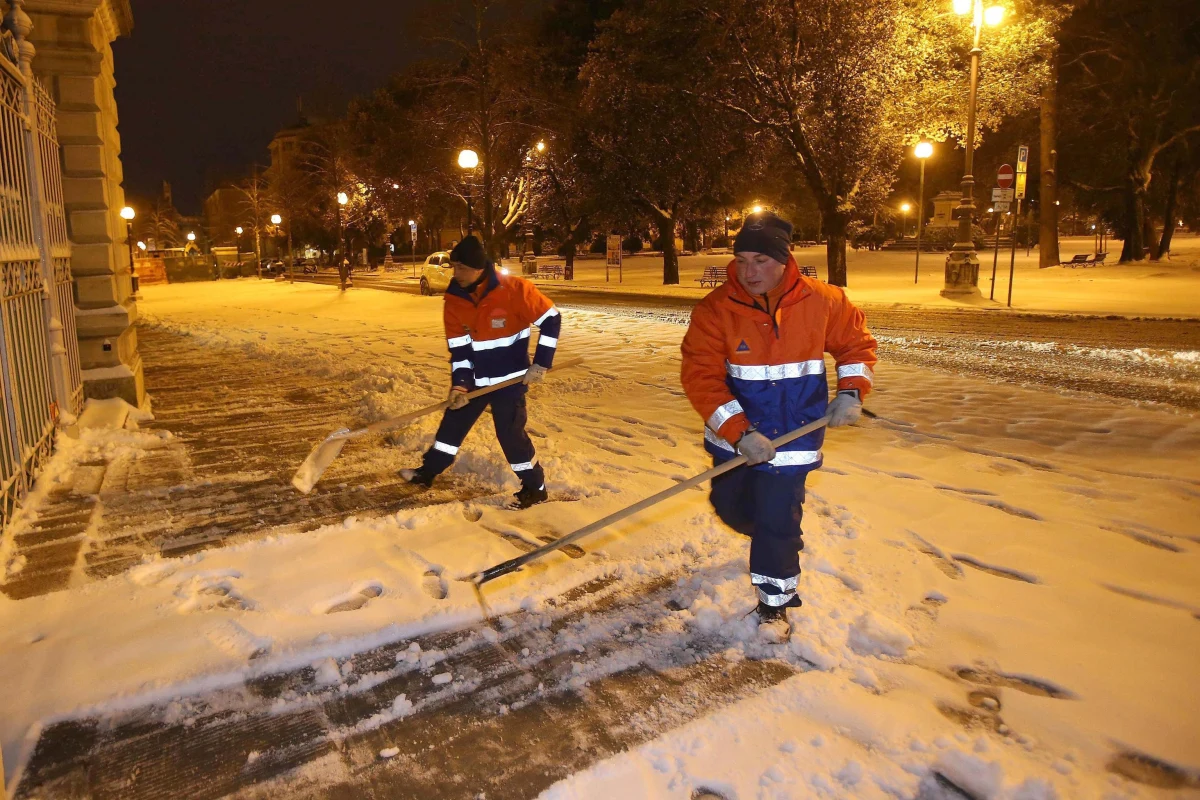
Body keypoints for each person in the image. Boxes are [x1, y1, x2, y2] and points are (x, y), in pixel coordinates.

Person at [681, 212, 877, 641]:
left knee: (776, 518)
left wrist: (852, 390)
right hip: (735, 441)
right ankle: (774, 536)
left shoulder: (823, 301)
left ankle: (775, 604)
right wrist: (739, 432)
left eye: (761, 261)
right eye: (742, 259)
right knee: (731, 507)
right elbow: (701, 376)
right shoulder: (716, 310)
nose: (749, 272)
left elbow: (856, 345)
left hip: (795, 436)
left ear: (785, 260)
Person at [401, 235, 562, 509]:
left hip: (510, 382)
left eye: (463, 268)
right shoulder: (455, 300)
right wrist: (460, 386)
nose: (457, 274)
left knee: (511, 436)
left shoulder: (514, 290)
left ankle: (535, 488)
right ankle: (427, 473)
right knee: (451, 428)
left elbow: (552, 319)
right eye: (454, 267)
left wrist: (541, 362)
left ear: (479, 268)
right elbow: (460, 350)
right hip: (475, 382)